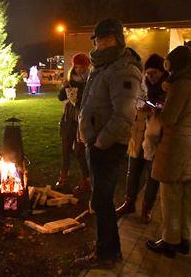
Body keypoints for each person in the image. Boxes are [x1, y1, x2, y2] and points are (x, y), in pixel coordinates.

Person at [75, 18, 143, 268]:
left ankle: (106, 255)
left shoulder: (123, 69)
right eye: (97, 38)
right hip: (96, 143)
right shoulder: (102, 65)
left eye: (105, 38)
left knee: (102, 201)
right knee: (102, 200)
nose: (100, 42)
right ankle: (111, 251)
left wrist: (100, 143)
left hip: (107, 146)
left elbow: (124, 116)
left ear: (118, 39)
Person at [147, 45, 191, 258]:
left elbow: (169, 118)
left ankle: (170, 240)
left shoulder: (182, 85)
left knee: (170, 195)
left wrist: (158, 110)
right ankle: (185, 238)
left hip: (178, 148)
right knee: (188, 194)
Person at [116, 53, 168, 223]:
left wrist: (154, 106)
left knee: (152, 175)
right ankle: (129, 202)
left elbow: (169, 107)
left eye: (154, 73)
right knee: (133, 171)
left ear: (162, 72)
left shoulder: (169, 86)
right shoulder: (142, 84)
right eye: (148, 73)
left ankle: (146, 208)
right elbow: (134, 101)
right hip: (138, 132)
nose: (150, 77)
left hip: (157, 137)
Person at [54, 53, 91, 196]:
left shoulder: (90, 80)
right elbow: (61, 97)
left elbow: (88, 99)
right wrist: (65, 88)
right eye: (76, 66)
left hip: (82, 118)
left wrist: (78, 96)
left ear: (86, 67)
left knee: (80, 150)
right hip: (69, 118)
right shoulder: (70, 80)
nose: (78, 69)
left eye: (81, 67)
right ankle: (63, 175)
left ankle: (86, 179)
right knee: (66, 148)